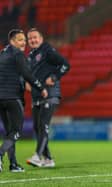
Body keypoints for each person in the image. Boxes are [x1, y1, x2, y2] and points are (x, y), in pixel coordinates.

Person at [0, 29, 48, 172]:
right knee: (16, 132)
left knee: (9, 132)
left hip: (1, 99)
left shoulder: (2, 54)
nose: (24, 43)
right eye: (20, 40)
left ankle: (13, 164)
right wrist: (41, 88)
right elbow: (27, 74)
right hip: (13, 98)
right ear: (12, 41)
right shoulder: (18, 54)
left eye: (24, 40)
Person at [25, 28, 70, 168]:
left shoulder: (47, 50)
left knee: (43, 125)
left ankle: (37, 156)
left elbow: (65, 65)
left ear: (41, 38)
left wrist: (54, 77)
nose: (33, 40)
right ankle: (48, 159)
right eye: (30, 38)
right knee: (37, 128)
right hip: (37, 96)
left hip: (50, 94)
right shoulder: (31, 55)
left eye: (35, 37)